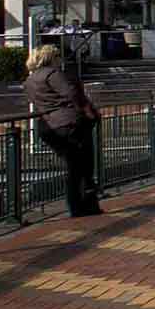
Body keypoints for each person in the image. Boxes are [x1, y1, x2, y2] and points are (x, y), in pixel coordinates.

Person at [23, 44, 102, 217]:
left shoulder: (30, 80)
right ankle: (83, 204)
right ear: (51, 58)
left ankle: (77, 204)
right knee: (83, 165)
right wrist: (86, 111)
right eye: (58, 57)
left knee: (72, 165)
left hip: (49, 125)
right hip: (70, 122)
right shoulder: (53, 74)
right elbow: (71, 93)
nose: (60, 60)